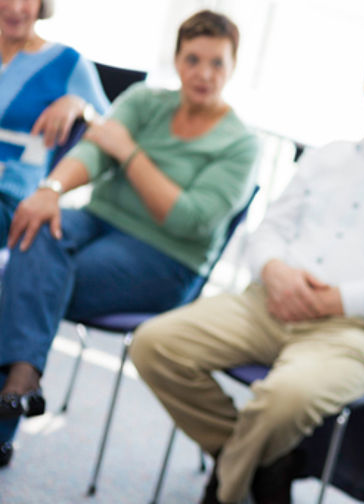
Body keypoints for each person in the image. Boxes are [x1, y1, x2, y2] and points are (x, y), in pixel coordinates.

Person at [130, 43, 364, 504]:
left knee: (282, 400)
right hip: (267, 303)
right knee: (154, 345)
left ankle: (227, 489)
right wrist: (275, 271)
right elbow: (268, 229)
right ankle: (269, 463)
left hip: (357, 333)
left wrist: (332, 300)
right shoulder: (327, 157)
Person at [0, 9, 257, 469]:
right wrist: (49, 190)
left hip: (164, 258)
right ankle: (19, 387)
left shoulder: (240, 144)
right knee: (34, 228)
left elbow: (187, 218)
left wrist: (129, 151)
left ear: (234, 67)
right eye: (193, 59)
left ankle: (12, 402)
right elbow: (93, 152)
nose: (203, 73)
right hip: (97, 221)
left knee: (27, 280)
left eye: (217, 62)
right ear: (176, 59)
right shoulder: (145, 101)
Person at [0, 0, 108, 245]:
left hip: (11, 196)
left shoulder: (68, 63)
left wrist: (80, 105)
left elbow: (112, 128)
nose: (16, 8)